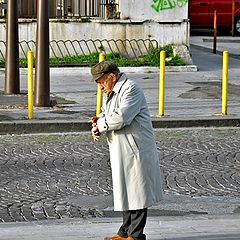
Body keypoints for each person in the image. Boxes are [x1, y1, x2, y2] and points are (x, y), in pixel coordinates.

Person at [90, 61, 163, 240]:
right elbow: (107, 113)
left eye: (101, 82)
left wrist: (101, 124)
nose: (100, 87)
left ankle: (136, 236)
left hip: (136, 148)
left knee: (138, 191)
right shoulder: (111, 91)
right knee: (126, 190)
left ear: (112, 77)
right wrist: (98, 121)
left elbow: (122, 117)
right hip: (122, 148)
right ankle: (125, 232)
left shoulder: (131, 89)